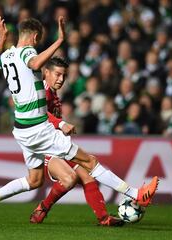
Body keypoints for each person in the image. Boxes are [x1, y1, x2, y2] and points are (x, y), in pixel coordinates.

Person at [0, 16, 159, 228]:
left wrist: (1, 38)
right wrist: (60, 40)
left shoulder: (8, 56)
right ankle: (137, 194)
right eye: (37, 41)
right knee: (89, 162)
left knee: (34, 180)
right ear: (35, 37)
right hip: (38, 128)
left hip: (22, 130)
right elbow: (35, 62)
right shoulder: (26, 51)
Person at [29, 56, 123, 226]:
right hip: (44, 147)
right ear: (46, 73)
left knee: (87, 175)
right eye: (57, 75)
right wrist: (61, 123)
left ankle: (104, 218)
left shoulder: (52, 92)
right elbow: (40, 114)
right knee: (70, 178)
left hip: (57, 145)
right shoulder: (42, 91)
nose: (61, 79)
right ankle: (42, 208)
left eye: (63, 75)